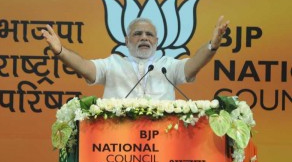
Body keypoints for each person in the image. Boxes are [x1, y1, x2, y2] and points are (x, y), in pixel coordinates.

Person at [41, 16, 229, 100]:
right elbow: (83, 66)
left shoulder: (167, 66)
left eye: (149, 34)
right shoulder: (112, 64)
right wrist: (61, 51)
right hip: (117, 142)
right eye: (138, 34)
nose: (144, 37)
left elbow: (194, 64)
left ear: (156, 41)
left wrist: (212, 45)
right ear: (127, 40)